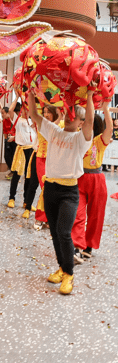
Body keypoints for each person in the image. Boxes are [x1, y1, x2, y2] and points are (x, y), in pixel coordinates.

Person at [27, 91, 93, 295]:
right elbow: (35, 115)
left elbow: (91, 120)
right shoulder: (54, 131)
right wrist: (31, 94)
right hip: (51, 188)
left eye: (74, 115)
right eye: (68, 112)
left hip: (69, 191)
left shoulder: (82, 139)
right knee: (55, 232)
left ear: (80, 122)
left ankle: (69, 274)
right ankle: (62, 267)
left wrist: (90, 94)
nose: (68, 115)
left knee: (64, 232)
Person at [71, 104, 112, 260]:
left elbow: (109, 128)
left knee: (96, 215)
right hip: (79, 178)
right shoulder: (78, 137)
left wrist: (106, 108)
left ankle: (89, 246)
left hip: (97, 180)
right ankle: (76, 246)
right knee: (77, 213)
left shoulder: (100, 140)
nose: (83, 125)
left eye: (86, 122)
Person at [7, 97, 36, 209]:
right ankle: (11, 198)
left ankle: (26, 201)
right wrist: (18, 97)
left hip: (31, 150)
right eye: (25, 109)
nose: (26, 111)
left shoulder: (34, 122)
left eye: (28, 109)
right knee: (17, 175)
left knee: (29, 177)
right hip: (21, 150)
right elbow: (10, 111)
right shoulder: (18, 119)